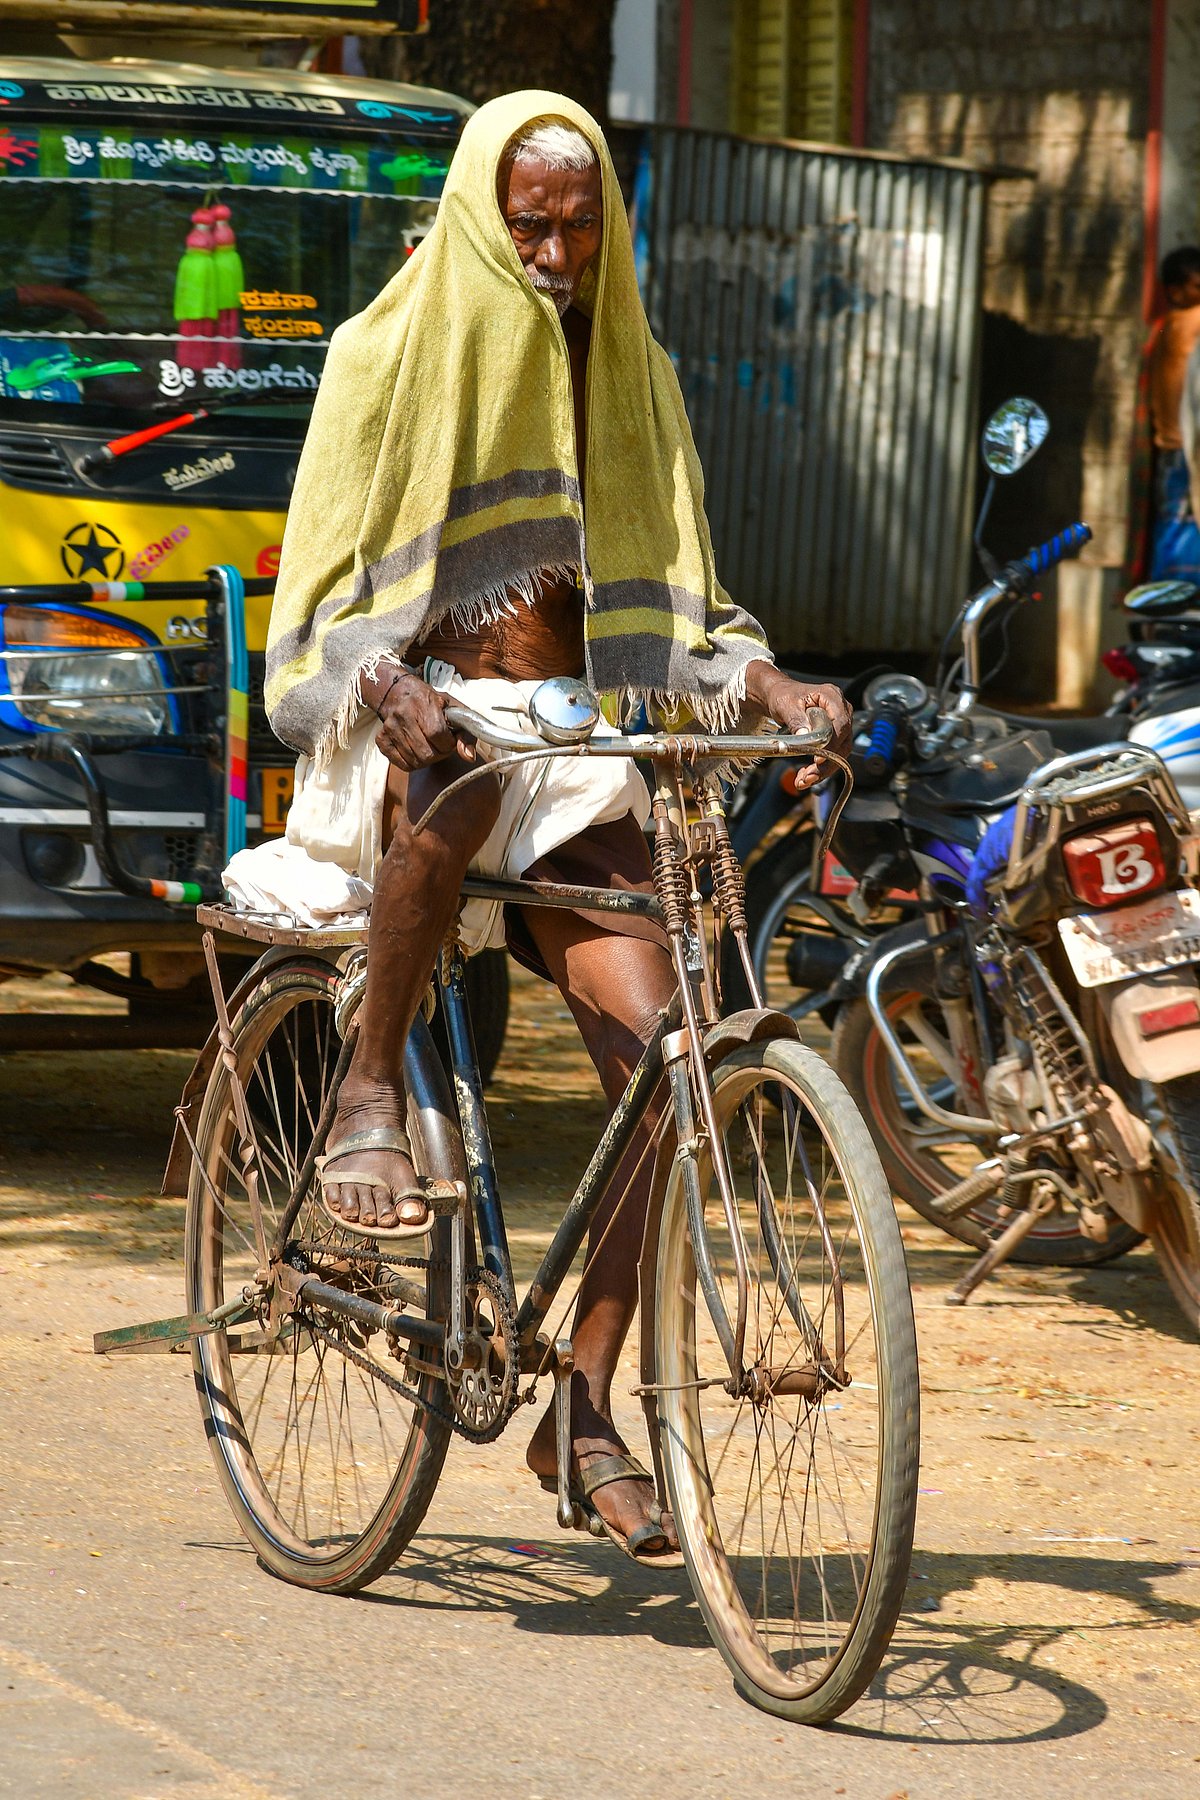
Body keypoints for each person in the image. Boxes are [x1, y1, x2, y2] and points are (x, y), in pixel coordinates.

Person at [258, 90, 852, 1560]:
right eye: (527, 220)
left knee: (668, 1061)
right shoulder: (379, 354)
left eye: (578, 222)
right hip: (430, 729)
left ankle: (582, 1407)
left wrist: (770, 679)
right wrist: (390, 683)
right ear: (479, 211)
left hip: (585, 750)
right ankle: (370, 1093)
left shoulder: (631, 369)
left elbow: (683, 602)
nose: (553, 248)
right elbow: (325, 599)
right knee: (446, 790)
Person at [1124, 245, 1200, 586]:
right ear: (1176, 289)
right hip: (1185, 450)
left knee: (1173, 523)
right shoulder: (1186, 323)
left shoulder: (1161, 328)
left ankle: (1165, 598)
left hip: (1172, 450)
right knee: (1183, 525)